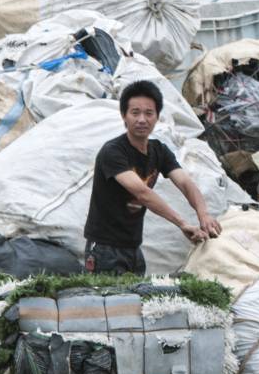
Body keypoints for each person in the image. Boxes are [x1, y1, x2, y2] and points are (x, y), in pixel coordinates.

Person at [83, 80, 221, 274]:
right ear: (124, 116)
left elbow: (185, 182)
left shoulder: (159, 151)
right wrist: (182, 223)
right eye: (135, 113)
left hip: (133, 247)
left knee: (135, 302)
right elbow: (142, 193)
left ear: (157, 117)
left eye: (149, 113)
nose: (142, 119)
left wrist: (203, 214)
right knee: (109, 302)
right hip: (105, 249)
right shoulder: (112, 152)